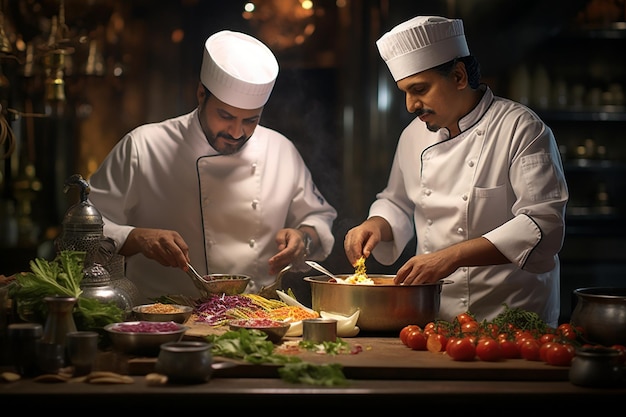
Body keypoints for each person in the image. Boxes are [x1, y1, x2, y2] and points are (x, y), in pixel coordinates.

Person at [344, 16, 568, 328]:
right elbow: (396, 201)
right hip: (437, 315)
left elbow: (543, 224)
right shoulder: (413, 135)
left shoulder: (520, 128)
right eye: (404, 92)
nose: (410, 105)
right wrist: (376, 224)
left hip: (513, 316)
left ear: (459, 76)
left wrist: (451, 256)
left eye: (419, 89)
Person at [87, 30, 337, 303]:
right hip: (162, 319)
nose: (237, 132)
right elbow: (85, 231)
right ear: (201, 94)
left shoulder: (280, 150)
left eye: (251, 120)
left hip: (255, 317)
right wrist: (136, 238)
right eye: (226, 116)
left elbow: (318, 218)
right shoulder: (143, 146)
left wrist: (303, 238)